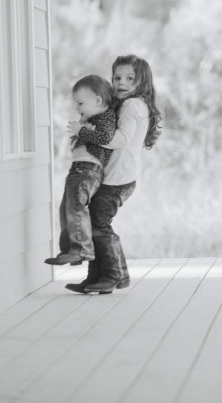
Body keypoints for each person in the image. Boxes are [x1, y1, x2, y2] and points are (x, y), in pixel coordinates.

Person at [66, 55, 163, 294]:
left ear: (143, 82)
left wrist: (86, 133)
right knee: (95, 223)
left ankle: (112, 275)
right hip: (118, 176)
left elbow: (119, 140)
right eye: (117, 77)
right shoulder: (130, 105)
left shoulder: (132, 105)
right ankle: (99, 276)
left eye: (130, 78)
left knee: (99, 224)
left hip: (119, 178)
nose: (122, 82)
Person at [45, 75, 117, 266]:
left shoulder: (106, 117)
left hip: (89, 170)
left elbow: (106, 137)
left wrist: (81, 132)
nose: (77, 108)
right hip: (78, 169)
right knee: (66, 209)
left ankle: (81, 249)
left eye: (80, 103)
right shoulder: (90, 118)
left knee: (76, 206)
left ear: (99, 100)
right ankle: (69, 249)